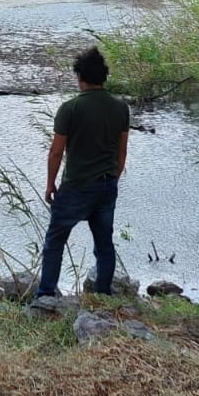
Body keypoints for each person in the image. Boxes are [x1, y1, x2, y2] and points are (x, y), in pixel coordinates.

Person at [36, 46, 130, 298]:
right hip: (107, 184)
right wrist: (113, 179)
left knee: (55, 240)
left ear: (80, 77)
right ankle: (103, 294)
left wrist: (50, 184)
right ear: (104, 77)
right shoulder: (120, 108)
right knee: (104, 244)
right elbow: (122, 152)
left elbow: (56, 152)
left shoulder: (70, 108)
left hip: (76, 185)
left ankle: (45, 295)